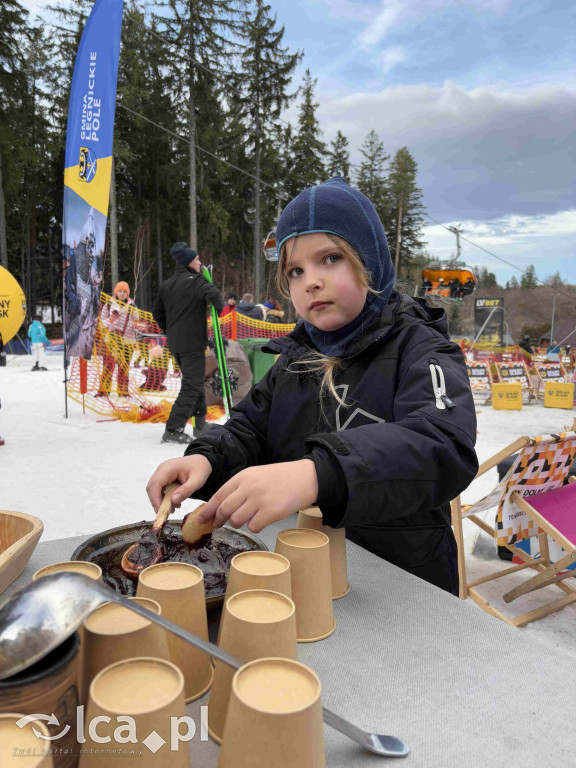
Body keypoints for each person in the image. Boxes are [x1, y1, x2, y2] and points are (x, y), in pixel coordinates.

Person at [147, 177, 478, 596]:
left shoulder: (421, 347)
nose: (311, 281)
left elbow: (442, 445)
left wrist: (321, 474)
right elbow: (249, 432)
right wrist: (207, 459)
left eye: (331, 258)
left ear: (371, 259)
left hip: (402, 586)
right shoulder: (295, 359)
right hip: (303, 575)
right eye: (296, 270)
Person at [153, 242, 224, 444]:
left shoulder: (167, 284)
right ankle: (173, 429)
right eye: (197, 260)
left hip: (176, 345)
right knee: (191, 386)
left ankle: (200, 424)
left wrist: (169, 330)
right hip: (192, 344)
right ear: (189, 262)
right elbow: (214, 295)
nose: (200, 263)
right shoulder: (195, 281)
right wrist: (220, 310)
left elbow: (157, 312)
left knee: (195, 382)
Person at [96, 282, 138, 398]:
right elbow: (101, 324)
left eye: (125, 292)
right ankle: (104, 391)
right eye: (120, 291)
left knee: (124, 367)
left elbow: (137, 323)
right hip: (111, 340)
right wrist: (111, 320)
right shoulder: (109, 305)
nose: (122, 294)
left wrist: (139, 326)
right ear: (116, 292)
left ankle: (123, 391)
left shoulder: (132, 307)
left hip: (127, 341)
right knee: (108, 365)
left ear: (128, 294)